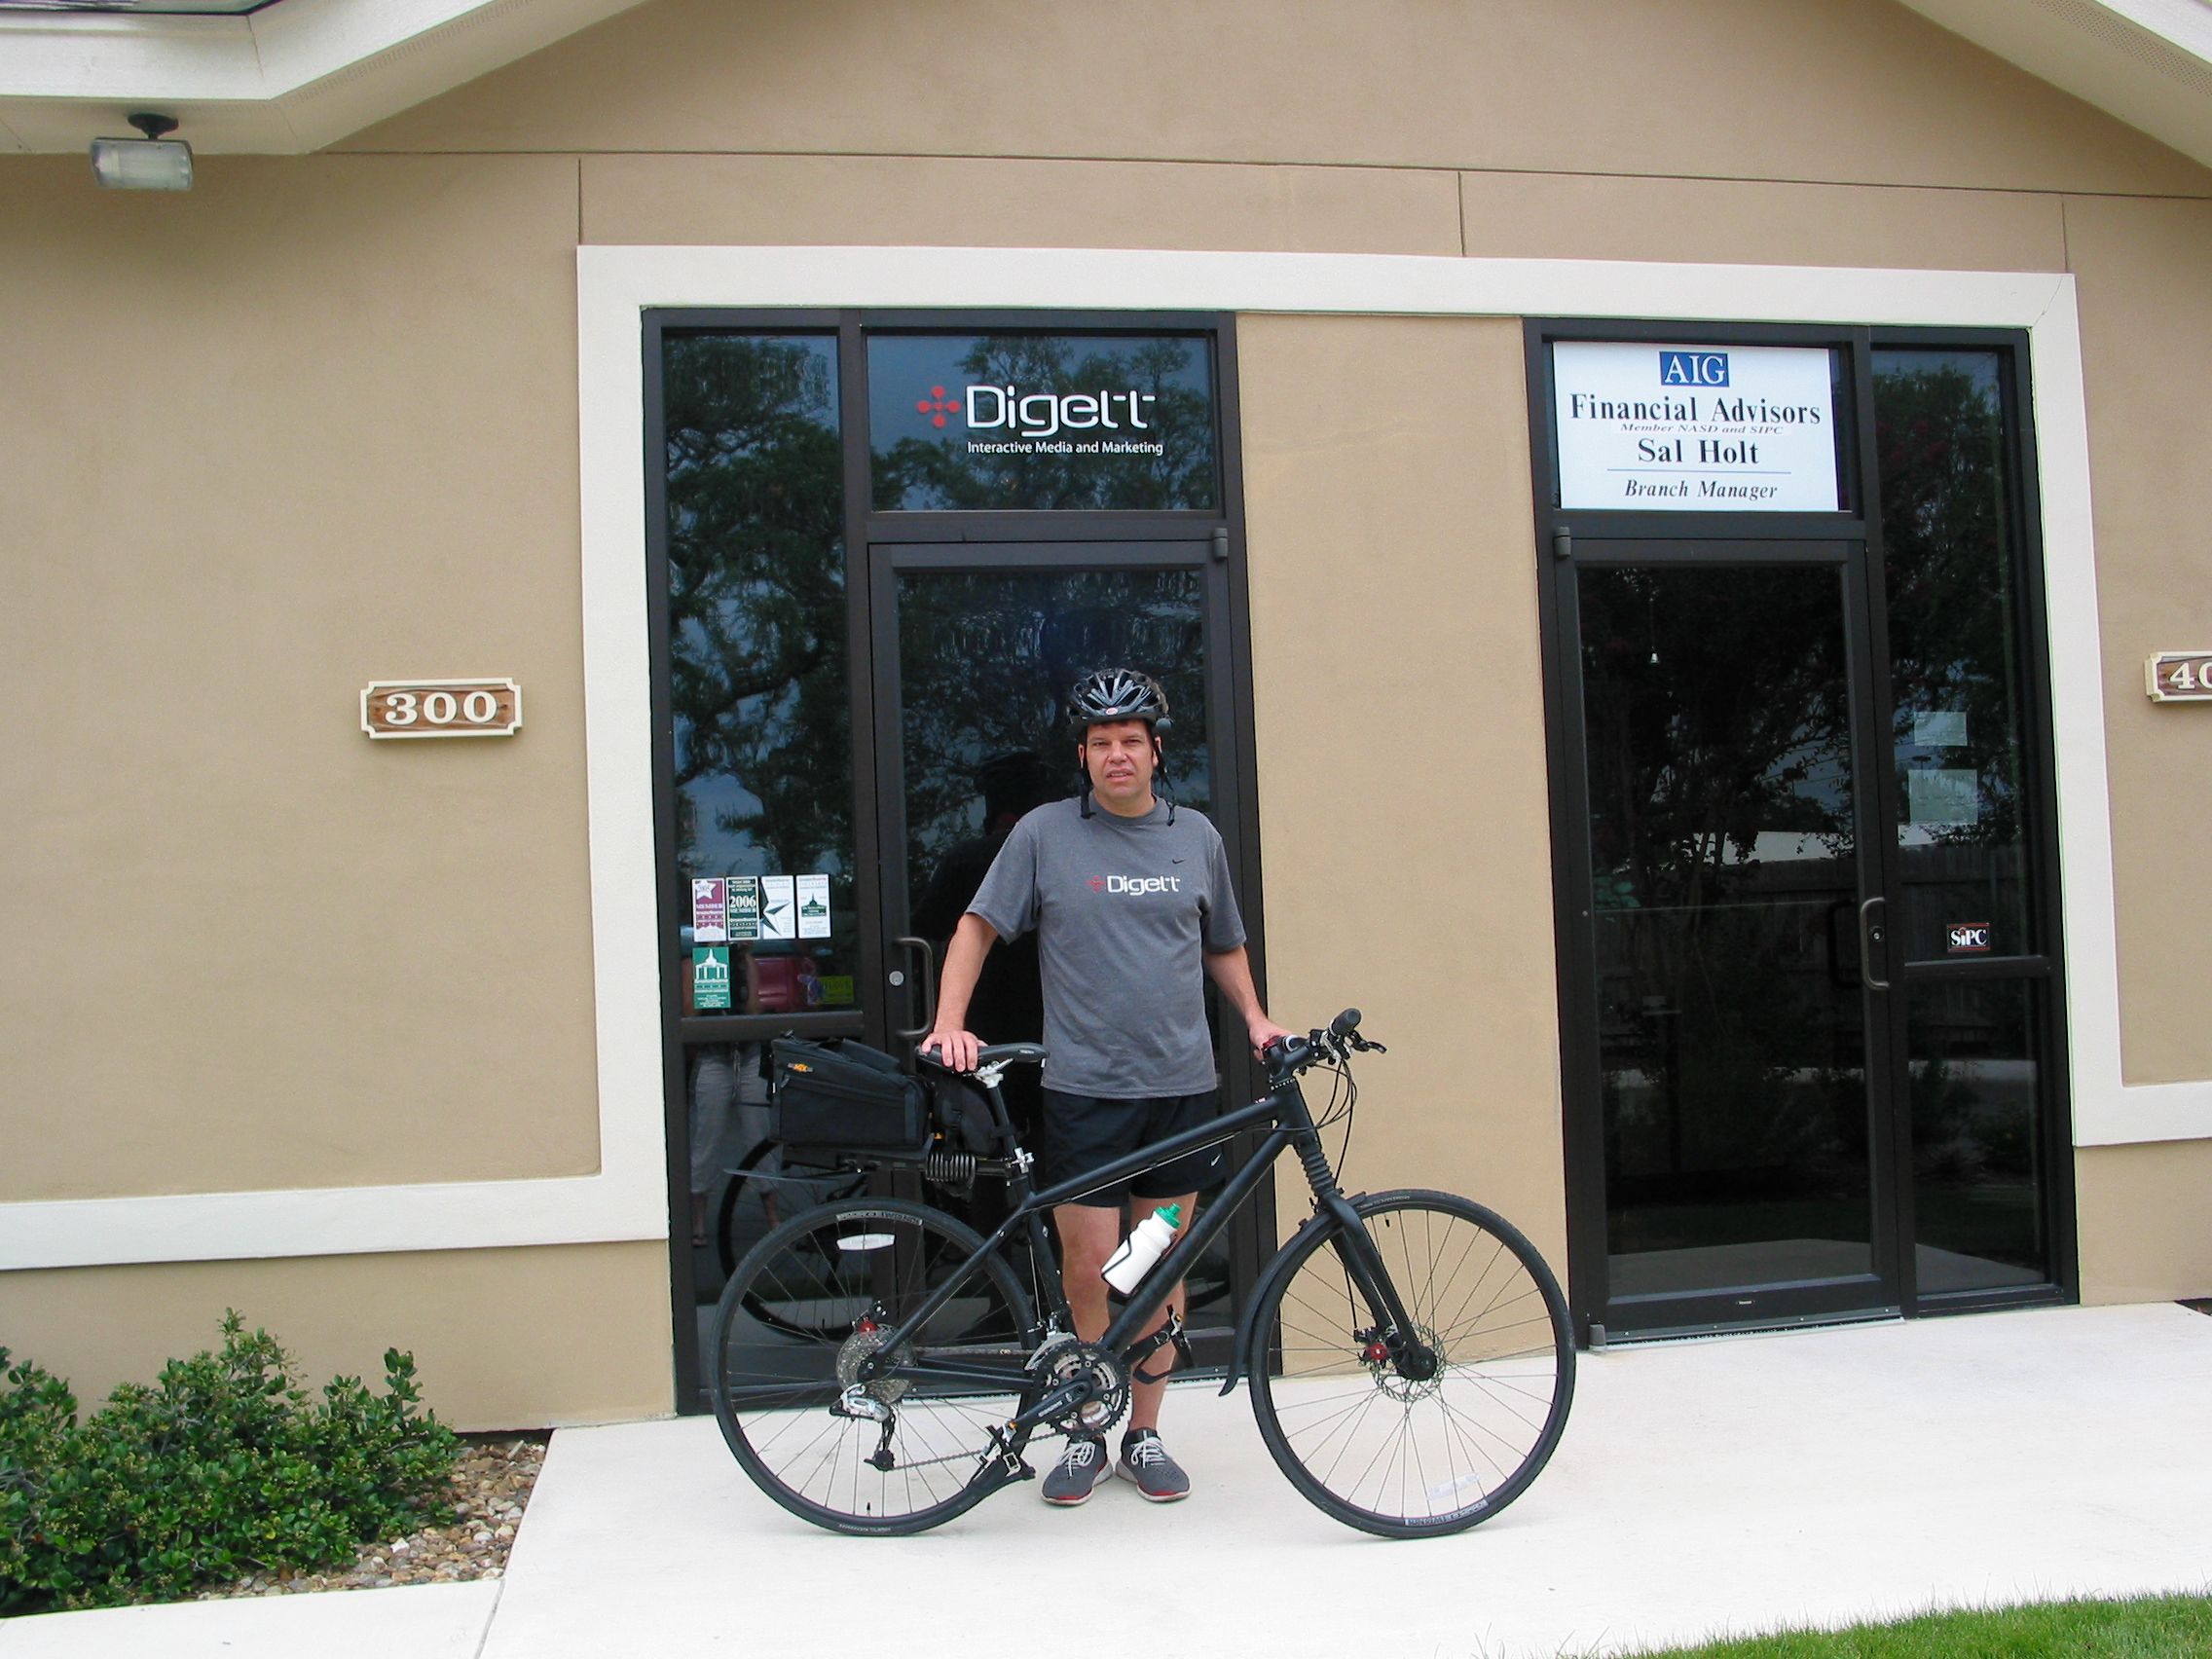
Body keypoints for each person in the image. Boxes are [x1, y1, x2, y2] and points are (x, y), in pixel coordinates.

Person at [923, 667, 1291, 1506]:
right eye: (1099, 743)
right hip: (1086, 1094)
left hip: (1179, 1097)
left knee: (1153, 1268)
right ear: (1082, 756)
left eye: (1131, 741)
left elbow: (1222, 942)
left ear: (1156, 752)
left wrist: (1258, 1021)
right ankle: (1089, 1425)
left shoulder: (1195, 836)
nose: (1116, 754)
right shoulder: (1047, 835)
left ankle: (1145, 1432)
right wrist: (950, 1020)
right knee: (1089, 1267)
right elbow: (976, 928)